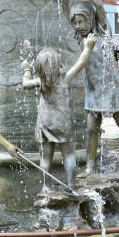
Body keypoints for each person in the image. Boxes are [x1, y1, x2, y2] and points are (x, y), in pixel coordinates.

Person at [55, 0, 119, 175]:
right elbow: (65, 10)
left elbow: (100, 6)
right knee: (92, 129)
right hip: (93, 88)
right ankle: (91, 165)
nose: (78, 26)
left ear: (91, 19)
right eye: (75, 22)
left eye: (81, 21)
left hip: (113, 86)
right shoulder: (80, 38)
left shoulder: (102, 31)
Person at [22, 35, 97, 191]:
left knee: (45, 158)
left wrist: (27, 70)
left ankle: (46, 187)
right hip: (64, 123)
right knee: (69, 155)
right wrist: (88, 47)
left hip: (45, 123)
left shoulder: (40, 82)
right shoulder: (65, 78)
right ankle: (70, 184)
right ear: (57, 65)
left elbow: (25, 84)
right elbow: (81, 62)